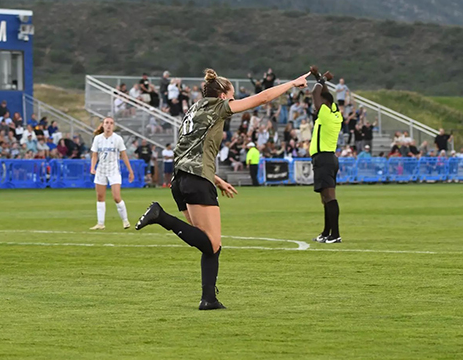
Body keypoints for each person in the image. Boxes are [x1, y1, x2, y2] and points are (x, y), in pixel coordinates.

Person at [134, 68, 309, 310]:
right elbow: (262, 98)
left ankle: (209, 299)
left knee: (208, 244)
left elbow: (189, 150)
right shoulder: (218, 107)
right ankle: (161, 216)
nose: (235, 101)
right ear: (223, 96)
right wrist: (292, 83)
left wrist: (216, 178)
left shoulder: (193, 109)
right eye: (233, 96)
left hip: (181, 180)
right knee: (212, 244)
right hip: (196, 180)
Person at [308, 66, 343, 244]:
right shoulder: (335, 112)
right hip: (328, 158)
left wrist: (321, 81)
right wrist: (319, 77)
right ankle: (327, 232)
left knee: (329, 196)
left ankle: (335, 234)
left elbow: (316, 93)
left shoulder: (325, 114)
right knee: (325, 198)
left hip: (324, 158)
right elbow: (325, 94)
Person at [89, 117, 134, 231]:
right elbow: (94, 155)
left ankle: (125, 220)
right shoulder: (98, 139)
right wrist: (93, 167)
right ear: (103, 125)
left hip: (113, 170)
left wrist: (130, 171)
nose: (109, 125)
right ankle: (100, 223)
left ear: (113, 126)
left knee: (116, 197)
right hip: (101, 170)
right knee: (100, 197)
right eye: (107, 123)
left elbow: (123, 155)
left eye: (111, 123)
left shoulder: (117, 139)